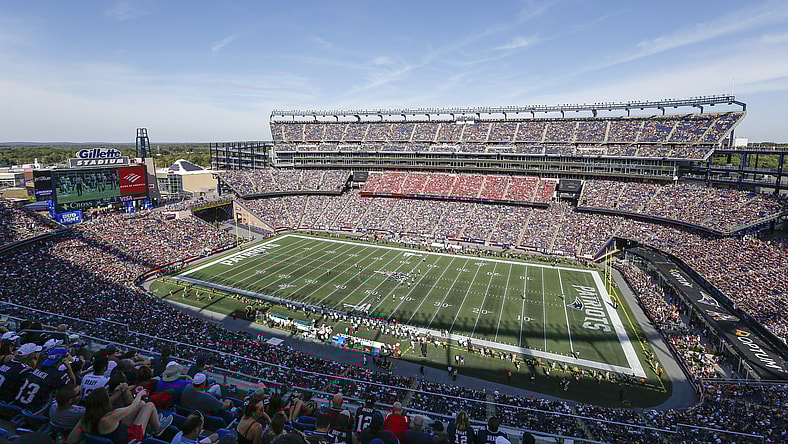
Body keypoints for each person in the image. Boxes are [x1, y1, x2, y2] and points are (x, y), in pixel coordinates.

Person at [67, 387, 172, 444]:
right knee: (149, 405)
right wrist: (140, 394)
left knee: (141, 404)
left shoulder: (84, 420)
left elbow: (70, 440)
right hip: (130, 439)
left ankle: (153, 425)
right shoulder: (110, 417)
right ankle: (158, 429)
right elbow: (134, 406)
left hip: (115, 432)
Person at [13, 347, 74, 414]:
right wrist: (68, 367)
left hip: (17, 405)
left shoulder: (39, 368)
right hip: (34, 411)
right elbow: (72, 387)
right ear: (63, 358)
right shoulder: (58, 376)